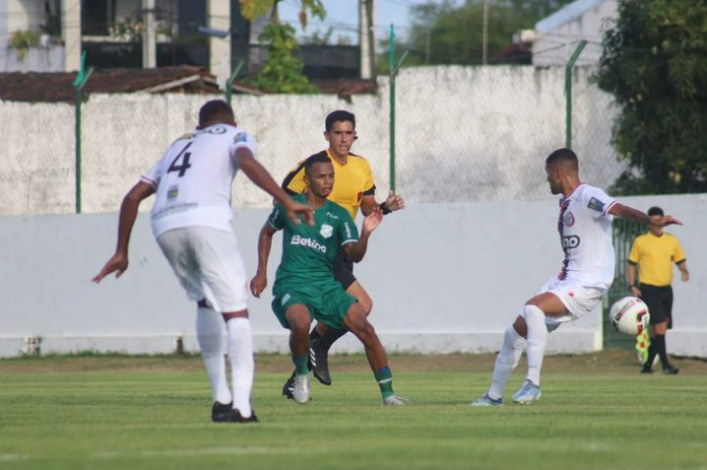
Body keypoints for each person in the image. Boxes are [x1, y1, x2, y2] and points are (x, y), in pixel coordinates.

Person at [93, 100, 314, 423]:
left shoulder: (179, 145)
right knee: (236, 310)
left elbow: (132, 197)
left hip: (164, 224)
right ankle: (241, 406)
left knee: (205, 303)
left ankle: (221, 400)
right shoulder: (235, 134)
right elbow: (246, 161)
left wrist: (121, 251)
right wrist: (284, 200)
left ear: (200, 126)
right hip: (207, 219)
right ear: (232, 121)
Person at [470, 148, 682, 407]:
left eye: (548, 175)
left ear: (559, 173)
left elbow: (617, 208)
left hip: (588, 282)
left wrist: (649, 220)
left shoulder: (587, 196)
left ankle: (532, 384)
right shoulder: (568, 201)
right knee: (514, 334)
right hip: (566, 280)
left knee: (533, 309)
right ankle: (493, 397)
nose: (547, 180)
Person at [250, 153, 406, 406]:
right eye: (321, 176)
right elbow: (267, 232)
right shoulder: (290, 206)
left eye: (331, 176)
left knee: (364, 324)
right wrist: (261, 272)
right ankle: (302, 375)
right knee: (301, 322)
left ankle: (388, 394)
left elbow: (354, 254)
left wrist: (366, 233)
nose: (328, 181)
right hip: (293, 284)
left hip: (326, 286)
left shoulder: (340, 216)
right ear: (308, 179)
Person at [279, 110, 405, 396]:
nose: (344, 138)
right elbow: (285, 195)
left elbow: (366, 207)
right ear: (327, 136)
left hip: (344, 249)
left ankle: (302, 369)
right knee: (363, 305)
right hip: (320, 251)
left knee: (356, 308)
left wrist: (385, 207)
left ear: (355, 135)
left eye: (349, 133)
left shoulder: (361, 167)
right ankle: (317, 347)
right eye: (338, 133)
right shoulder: (315, 167)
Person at [627, 206, 689, 375]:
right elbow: (632, 264)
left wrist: (684, 270)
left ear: (662, 222)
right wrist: (632, 285)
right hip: (649, 289)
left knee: (660, 330)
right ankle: (666, 365)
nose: (655, 225)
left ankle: (647, 365)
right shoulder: (641, 241)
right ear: (649, 222)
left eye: (658, 221)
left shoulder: (671, 240)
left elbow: (679, 259)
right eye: (652, 222)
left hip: (666, 290)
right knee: (659, 325)